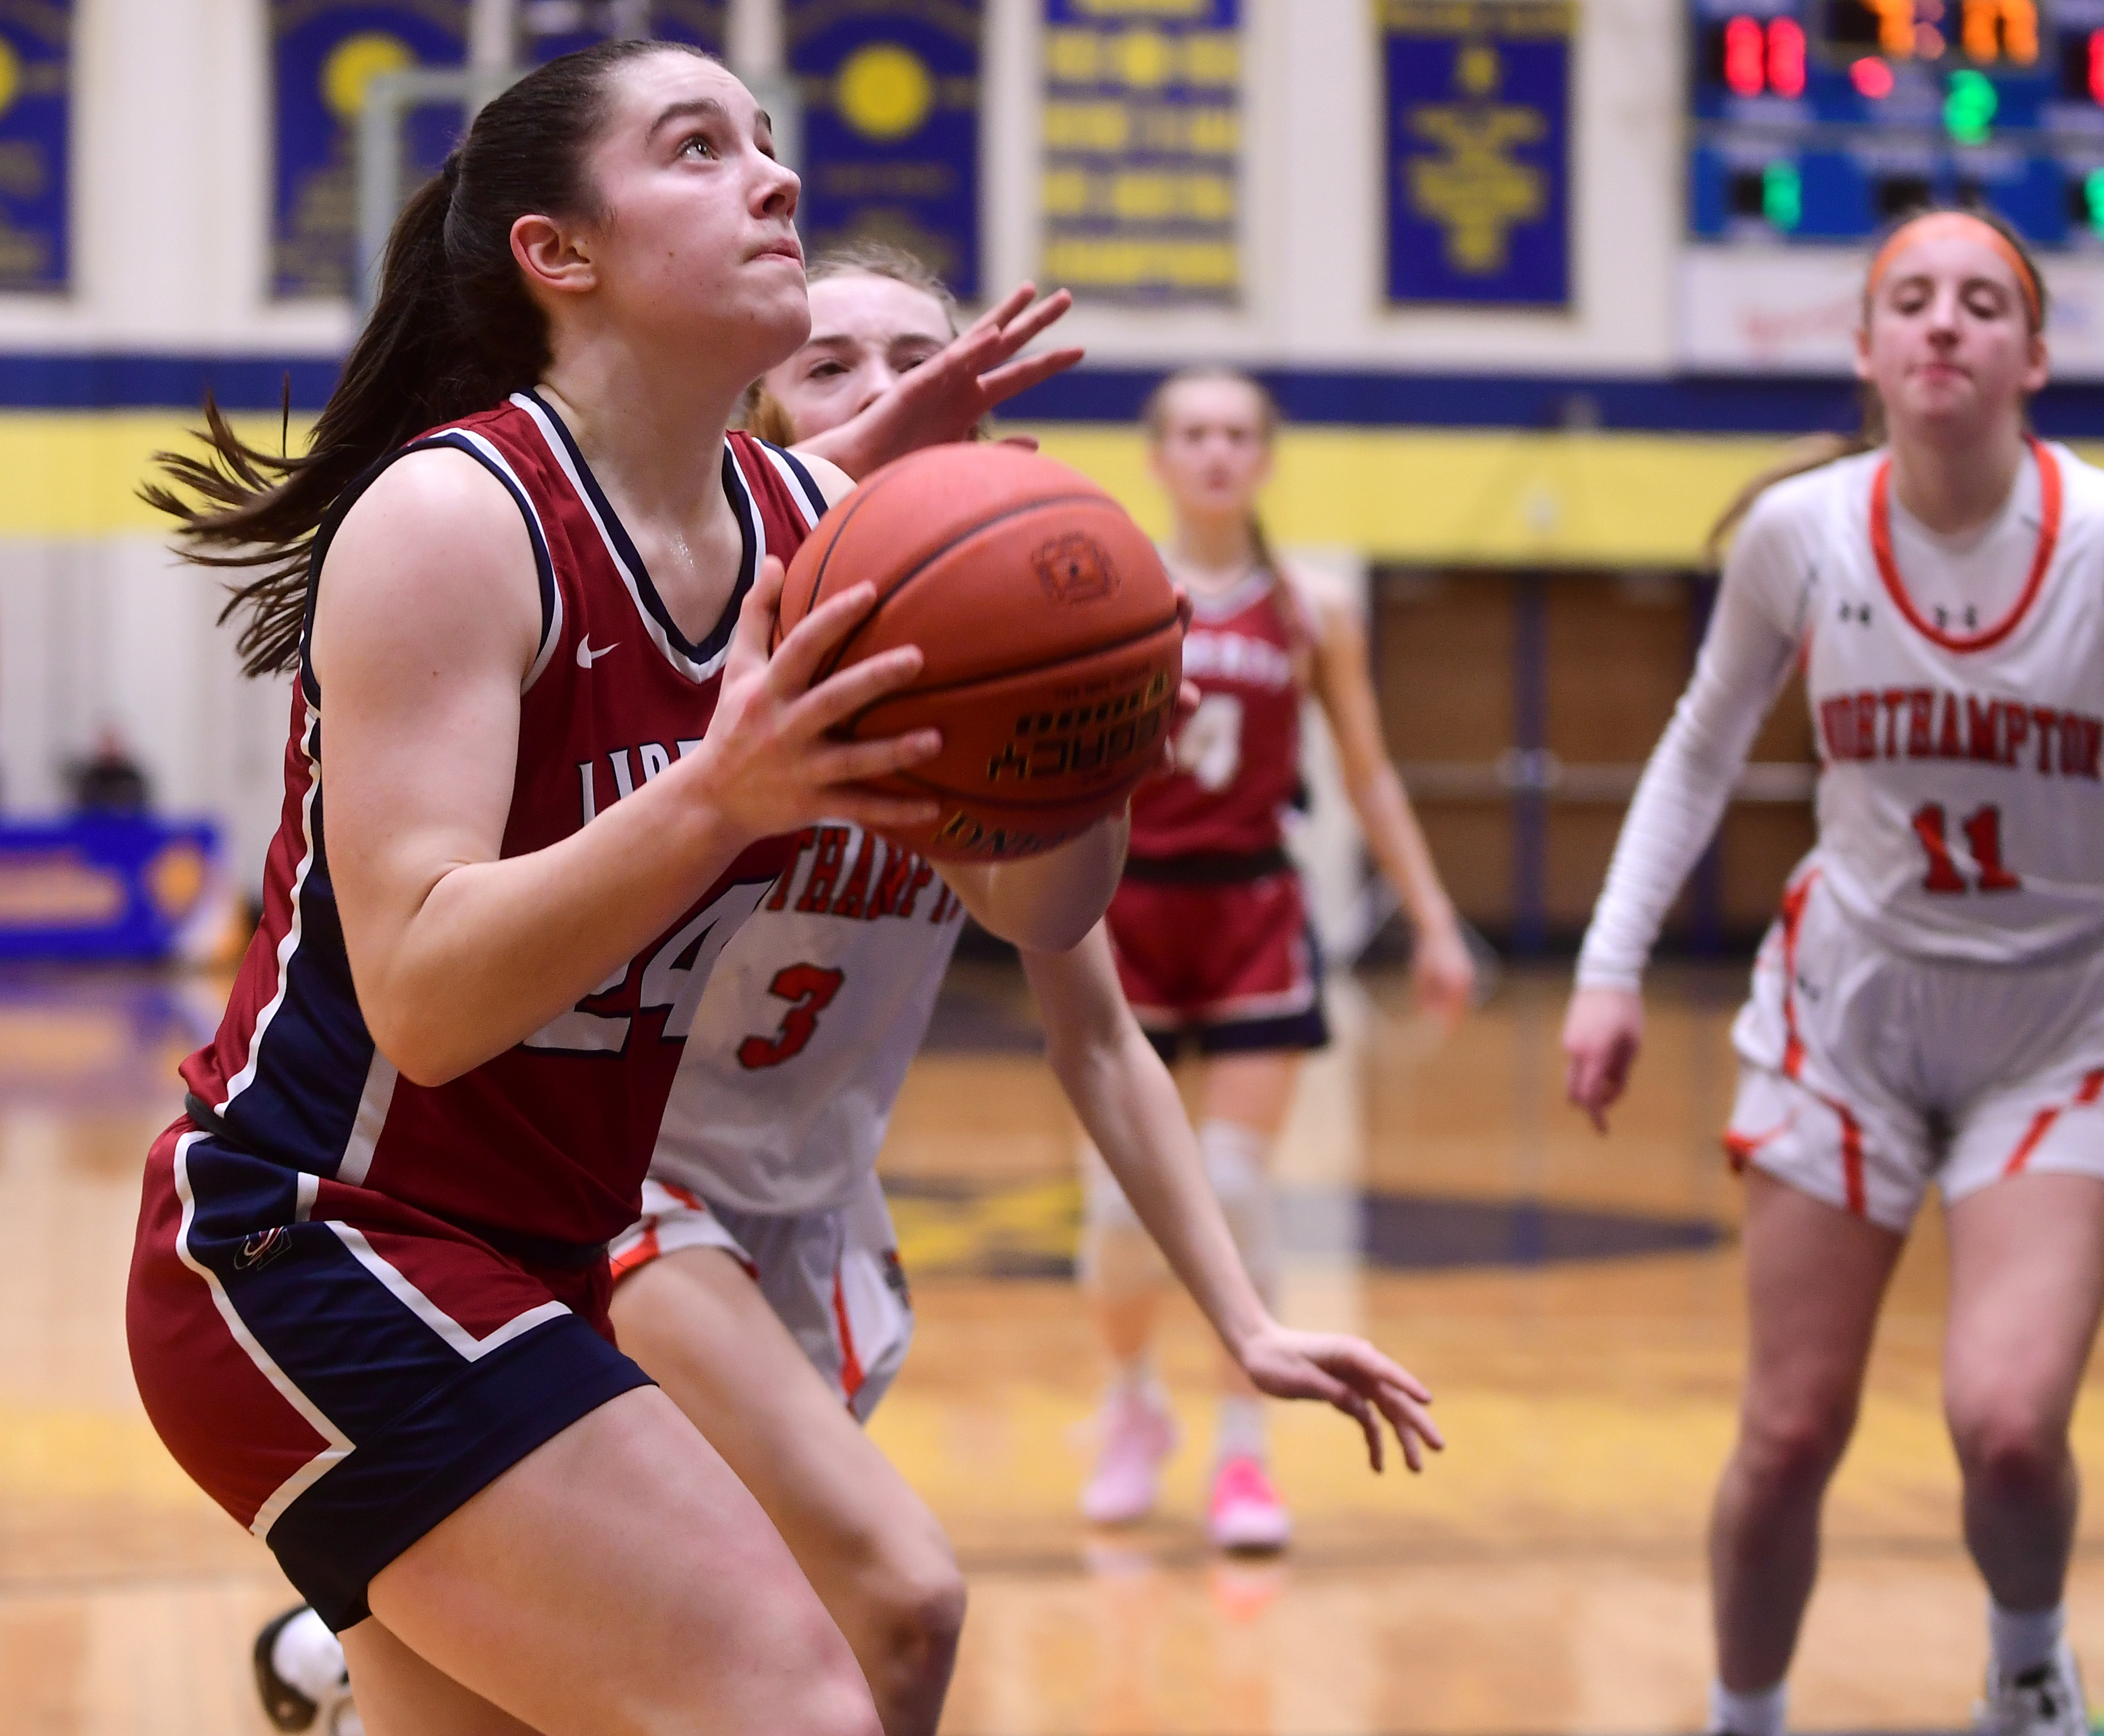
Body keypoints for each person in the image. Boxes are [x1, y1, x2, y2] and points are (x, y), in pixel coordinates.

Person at [250, 246, 1444, 1736]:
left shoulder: (973, 676)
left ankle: (352, 1662)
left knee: (678, 1668)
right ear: (749, 416)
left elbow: (1094, 1027)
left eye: (916, 360)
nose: (884, 392)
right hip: (619, 1207)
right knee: (897, 1606)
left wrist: (1244, 1318)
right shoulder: (679, 618)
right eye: (832, 365)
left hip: (811, 1217)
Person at [126, 42, 1140, 1734]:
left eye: (768, 140)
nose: (775, 179)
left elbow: (1043, 915)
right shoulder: (458, 518)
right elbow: (430, 1006)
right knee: (808, 1695)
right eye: (698, 147)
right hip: (318, 1245)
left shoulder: (807, 524)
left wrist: (1068, 723)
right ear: (560, 252)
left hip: (544, 1257)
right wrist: (717, 796)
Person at [1561, 209, 2104, 1736]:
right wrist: (1607, 966)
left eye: (1982, 303)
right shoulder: (1803, 536)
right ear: (1868, 349)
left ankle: (2028, 1671)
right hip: (1852, 1016)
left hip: (2065, 1021)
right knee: (1788, 1432)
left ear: (2034, 355)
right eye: (1913, 300)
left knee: (2012, 1427)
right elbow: (1700, 753)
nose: (1945, 325)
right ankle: (1742, 1714)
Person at [1079, 365, 1477, 1551]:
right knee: (1114, 1210)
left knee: (1241, 1187)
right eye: (1191, 432)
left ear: (1263, 455)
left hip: (1251, 914)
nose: (1213, 452)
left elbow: (1367, 773)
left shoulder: (1310, 610)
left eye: (1236, 433)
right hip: (1123, 915)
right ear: (1155, 455)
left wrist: (1436, 918)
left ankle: (1244, 1453)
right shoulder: (1110, 590)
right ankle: (1130, 1402)